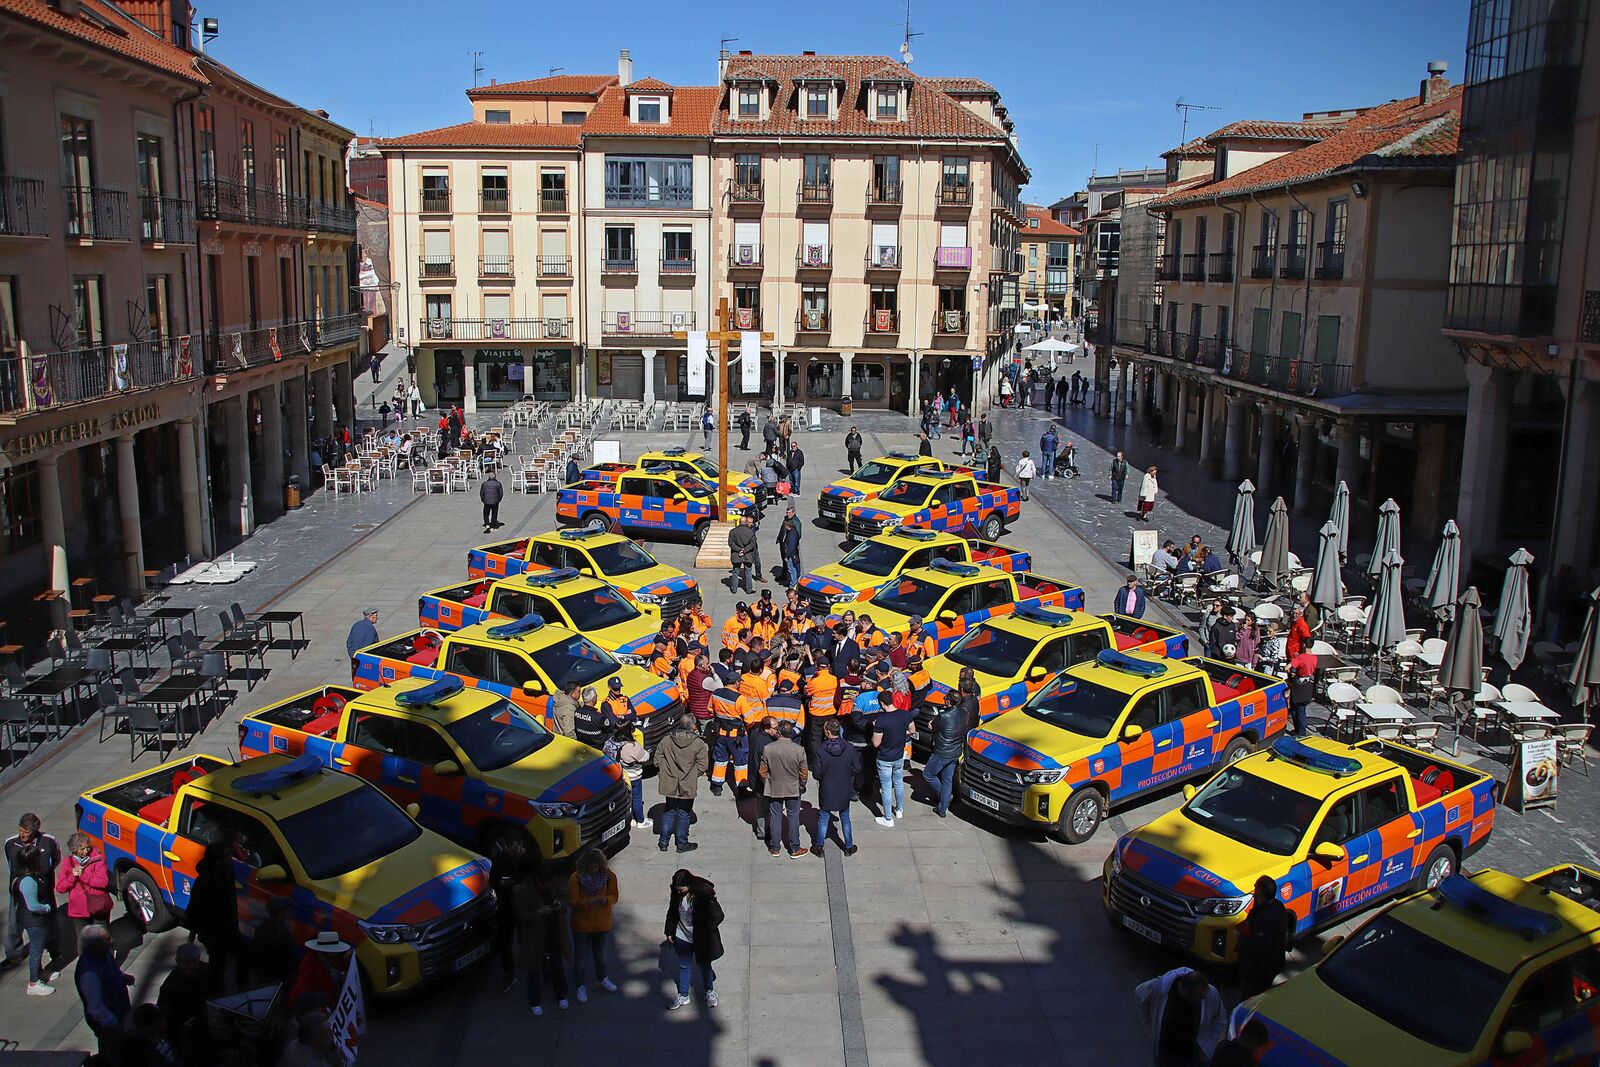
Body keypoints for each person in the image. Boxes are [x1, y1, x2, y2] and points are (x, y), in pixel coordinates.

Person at [186, 840, 247, 990]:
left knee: (241, 955)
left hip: (228, 928)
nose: (229, 859)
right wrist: (193, 932)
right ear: (217, 859)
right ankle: (218, 991)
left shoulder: (225, 873)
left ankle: (240, 986)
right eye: (226, 857)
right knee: (219, 964)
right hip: (213, 932)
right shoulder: (205, 882)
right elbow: (194, 908)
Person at [1136, 967, 1225, 1067]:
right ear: (1187, 991)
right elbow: (1140, 994)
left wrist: (1210, 1042)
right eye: (1199, 995)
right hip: (1167, 1054)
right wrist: (1149, 1025)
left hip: (1193, 1057)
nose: (1203, 999)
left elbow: (1220, 1019)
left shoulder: (1210, 993)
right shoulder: (1160, 987)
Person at [514, 859, 571, 1015]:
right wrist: (538, 913)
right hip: (534, 934)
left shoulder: (553, 882)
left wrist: (560, 903)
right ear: (537, 880)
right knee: (534, 968)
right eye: (544, 884)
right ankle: (534, 1000)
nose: (547, 886)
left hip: (553, 930)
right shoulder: (523, 890)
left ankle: (561, 994)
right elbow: (520, 915)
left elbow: (563, 896)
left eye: (549, 883)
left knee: (556, 963)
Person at [663, 870, 724, 1009]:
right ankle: (683, 995)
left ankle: (709, 991)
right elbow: (672, 912)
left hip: (700, 937)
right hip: (682, 935)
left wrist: (705, 930)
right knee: (684, 965)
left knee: (705, 964)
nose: (679, 892)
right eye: (677, 889)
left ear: (689, 885)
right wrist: (669, 931)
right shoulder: (676, 892)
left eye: (682, 889)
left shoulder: (703, 894)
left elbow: (718, 915)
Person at [567, 848, 619, 1002]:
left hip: (602, 924)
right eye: (590, 867)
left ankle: (602, 978)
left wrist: (607, 900)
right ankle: (580, 986)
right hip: (582, 925)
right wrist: (587, 902)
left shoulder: (609, 876)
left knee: (600, 955)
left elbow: (614, 895)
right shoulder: (575, 879)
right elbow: (572, 901)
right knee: (581, 957)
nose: (593, 870)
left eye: (596, 867)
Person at [76, 924, 133, 1056]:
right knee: (112, 1053)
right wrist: (115, 1025)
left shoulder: (103, 954)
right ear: (95, 945)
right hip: (110, 1026)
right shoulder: (89, 972)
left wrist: (123, 977)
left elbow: (111, 970)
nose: (112, 940)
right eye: (107, 939)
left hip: (121, 1014)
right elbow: (96, 1008)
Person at [924, 674, 975, 817]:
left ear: (950, 702)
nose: (944, 700)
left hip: (942, 751)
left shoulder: (944, 716)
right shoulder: (964, 712)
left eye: (946, 699)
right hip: (955, 750)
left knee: (928, 774)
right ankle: (942, 808)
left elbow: (931, 726)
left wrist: (933, 723)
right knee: (947, 780)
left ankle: (944, 799)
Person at [655, 716, 708, 853]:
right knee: (684, 813)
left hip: (669, 782)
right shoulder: (698, 743)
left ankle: (663, 842)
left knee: (669, 811)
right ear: (692, 727)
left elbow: (658, 758)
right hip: (687, 783)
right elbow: (703, 765)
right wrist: (691, 775)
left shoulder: (666, 740)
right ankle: (682, 843)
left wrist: (665, 771)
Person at [1235, 876, 1293, 998]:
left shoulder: (1265, 917)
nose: (1254, 889)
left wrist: (1241, 939)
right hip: (1271, 965)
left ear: (1260, 891)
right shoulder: (1277, 907)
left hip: (1259, 969)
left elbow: (1261, 945)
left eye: (1255, 886)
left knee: (1249, 997)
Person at [760, 719, 809, 858]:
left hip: (774, 787)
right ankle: (794, 848)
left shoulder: (768, 748)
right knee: (793, 817)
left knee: (776, 816)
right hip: (793, 788)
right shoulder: (799, 750)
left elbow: (762, 770)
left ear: (779, 733)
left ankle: (775, 847)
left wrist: (767, 782)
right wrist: (802, 784)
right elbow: (803, 771)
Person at [811, 719, 860, 856]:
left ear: (827, 732)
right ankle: (848, 846)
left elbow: (817, 773)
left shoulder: (821, 750)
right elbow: (857, 767)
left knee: (823, 818)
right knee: (845, 817)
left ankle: (819, 847)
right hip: (844, 788)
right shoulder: (849, 748)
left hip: (827, 789)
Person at [11, 847, 56, 995]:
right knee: (36, 949)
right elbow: (33, 905)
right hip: (34, 921)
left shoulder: (25, 876)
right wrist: (46, 908)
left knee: (38, 947)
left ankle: (40, 972)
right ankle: (34, 982)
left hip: (32, 920)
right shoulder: (28, 881)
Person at [55, 832, 112, 946]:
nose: (85, 851)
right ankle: (86, 963)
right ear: (74, 849)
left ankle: (106, 962)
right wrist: (72, 877)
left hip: (98, 906)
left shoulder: (97, 859)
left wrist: (83, 876)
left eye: (87, 848)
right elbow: (60, 888)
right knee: (83, 942)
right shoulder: (68, 862)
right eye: (81, 849)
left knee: (103, 940)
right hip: (79, 910)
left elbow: (103, 882)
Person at [157, 941, 216, 1048]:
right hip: (184, 1021)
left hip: (207, 1016)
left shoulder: (207, 971)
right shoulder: (171, 984)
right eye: (185, 962)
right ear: (177, 961)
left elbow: (218, 991)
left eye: (193, 961)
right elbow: (164, 1007)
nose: (190, 966)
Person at [871, 689, 917, 826]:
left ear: (882, 703)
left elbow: (875, 743)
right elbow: (912, 730)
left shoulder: (881, 720)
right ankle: (899, 810)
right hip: (899, 756)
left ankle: (888, 818)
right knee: (898, 784)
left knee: (886, 788)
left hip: (885, 758)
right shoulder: (905, 715)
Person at [602, 723, 650, 829]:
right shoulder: (632, 746)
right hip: (634, 776)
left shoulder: (611, 741)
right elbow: (645, 758)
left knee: (627, 797)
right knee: (637, 799)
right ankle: (640, 820)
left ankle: (631, 818)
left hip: (620, 775)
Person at [1287, 651, 1318, 735]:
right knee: (1301, 708)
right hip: (1307, 684)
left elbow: (1287, 667)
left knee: (1296, 708)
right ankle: (1300, 730)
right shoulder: (1315, 657)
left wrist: (1291, 673)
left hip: (1298, 685)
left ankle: (1300, 731)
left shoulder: (1301, 657)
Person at [728, 512, 758, 594]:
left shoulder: (733, 532)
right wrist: (744, 551)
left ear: (739, 522)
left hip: (736, 555)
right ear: (746, 522)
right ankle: (748, 590)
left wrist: (739, 550)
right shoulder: (750, 532)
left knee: (735, 572)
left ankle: (734, 589)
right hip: (747, 555)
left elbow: (730, 543)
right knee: (748, 572)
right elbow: (752, 544)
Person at [777, 509, 802, 587]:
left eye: (789, 512)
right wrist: (779, 539)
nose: (788, 514)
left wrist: (792, 544)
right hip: (784, 544)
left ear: (793, 513)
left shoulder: (796, 522)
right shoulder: (786, 519)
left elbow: (798, 535)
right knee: (785, 561)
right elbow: (782, 530)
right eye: (787, 512)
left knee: (793, 564)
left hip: (790, 546)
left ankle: (794, 580)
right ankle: (785, 575)